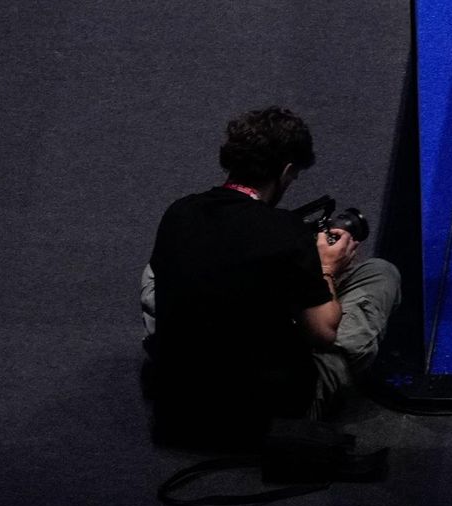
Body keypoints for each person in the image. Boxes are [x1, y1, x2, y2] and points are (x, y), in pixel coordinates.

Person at [142, 107, 400, 446]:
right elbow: (323, 332)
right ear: (287, 170)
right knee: (380, 273)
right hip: (267, 413)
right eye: (292, 178)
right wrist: (325, 268)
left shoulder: (180, 211)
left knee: (153, 273)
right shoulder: (286, 233)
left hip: (179, 406)